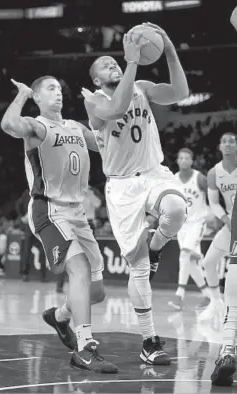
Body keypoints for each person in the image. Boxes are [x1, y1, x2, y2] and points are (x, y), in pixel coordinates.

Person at [82, 23, 189, 364]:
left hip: (153, 172)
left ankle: (157, 244)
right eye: (105, 66)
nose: (112, 64)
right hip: (123, 186)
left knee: (176, 209)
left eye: (114, 62)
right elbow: (116, 109)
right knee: (138, 268)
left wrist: (169, 48)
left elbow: (179, 93)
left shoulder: (141, 86)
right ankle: (148, 341)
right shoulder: (93, 100)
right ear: (97, 80)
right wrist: (130, 62)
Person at [1, 75, 118, 373]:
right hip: (48, 208)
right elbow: (8, 125)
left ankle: (61, 315)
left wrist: (102, 106)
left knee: (97, 292)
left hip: (77, 212)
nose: (58, 93)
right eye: (49, 89)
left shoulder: (76, 127)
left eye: (59, 88)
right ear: (37, 98)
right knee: (78, 268)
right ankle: (85, 346)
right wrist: (21, 96)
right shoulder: (37, 127)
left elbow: (108, 144)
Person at [210, 8, 237, 386]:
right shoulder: (217, 171)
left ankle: (230, 346)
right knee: (230, 265)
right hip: (230, 219)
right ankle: (229, 347)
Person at [198, 132, 237, 322]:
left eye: (232, 141)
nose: (228, 144)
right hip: (231, 224)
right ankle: (215, 303)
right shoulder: (214, 173)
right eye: (224, 141)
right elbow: (213, 202)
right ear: (220, 147)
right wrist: (225, 218)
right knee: (208, 263)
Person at [168, 148, 210, 311]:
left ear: (192, 161)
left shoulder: (199, 178)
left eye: (187, 158)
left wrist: (214, 212)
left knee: (184, 255)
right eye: (181, 158)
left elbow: (213, 194)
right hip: (182, 225)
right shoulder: (173, 180)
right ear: (177, 161)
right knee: (190, 262)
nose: (184, 160)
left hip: (197, 223)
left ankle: (179, 295)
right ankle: (208, 295)